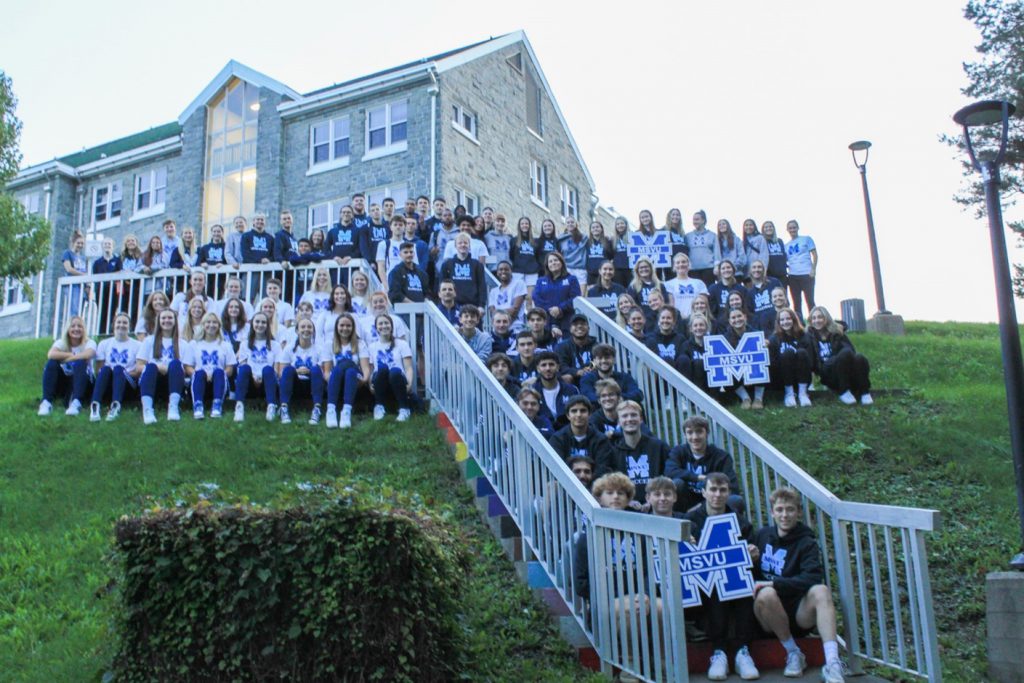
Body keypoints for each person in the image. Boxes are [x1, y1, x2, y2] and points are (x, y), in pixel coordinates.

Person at [751, 487, 846, 683]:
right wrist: (748, 558)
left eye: (790, 509)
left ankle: (833, 663)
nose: (784, 515)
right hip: (768, 614)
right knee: (766, 593)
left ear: (798, 512)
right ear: (772, 512)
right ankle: (793, 653)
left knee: (821, 590)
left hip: (799, 611)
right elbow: (745, 574)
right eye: (779, 510)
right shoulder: (761, 536)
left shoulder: (806, 541)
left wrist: (775, 583)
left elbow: (812, 578)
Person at [685, 472, 760, 682]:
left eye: (722, 490)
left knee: (743, 582)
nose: (717, 494)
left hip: (733, 583)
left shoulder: (740, 522)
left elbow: (751, 556)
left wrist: (753, 553)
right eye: (713, 489)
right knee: (718, 582)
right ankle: (719, 651)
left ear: (729, 493)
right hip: (701, 585)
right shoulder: (690, 520)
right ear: (703, 492)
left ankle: (742, 652)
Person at [665, 416, 742, 513]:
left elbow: (732, 486)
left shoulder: (721, 457)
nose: (695, 437)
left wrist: (701, 507)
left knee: (735, 500)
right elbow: (669, 471)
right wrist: (698, 477)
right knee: (677, 483)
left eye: (699, 431)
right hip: (685, 504)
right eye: (690, 432)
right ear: (685, 435)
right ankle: (678, 523)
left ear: (707, 433)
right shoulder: (678, 452)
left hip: (713, 503)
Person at [805, 305, 872, 405]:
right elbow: (809, 361)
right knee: (845, 354)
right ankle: (843, 391)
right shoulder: (809, 336)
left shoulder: (837, 333)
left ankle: (865, 392)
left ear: (826, 318)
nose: (817, 320)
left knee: (860, 358)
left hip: (844, 368)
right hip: (827, 372)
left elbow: (851, 351)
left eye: (820, 317)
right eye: (814, 318)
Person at [606, 400, 671, 503]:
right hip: (626, 506)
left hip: (657, 504)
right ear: (619, 422)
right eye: (625, 416)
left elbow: (670, 477)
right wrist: (627, 501)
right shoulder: (613, 451)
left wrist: (654, 500)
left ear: (641, 419)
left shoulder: (659, 447)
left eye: (633, 415)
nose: (629, 419)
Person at [137, 308, 193, 424]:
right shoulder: (149, 341)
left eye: (170, 318)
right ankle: (147, 410)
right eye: (163, 318)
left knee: (176, 364)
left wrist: (170, 368)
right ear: (159, 321)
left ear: (175, 321)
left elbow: (187, 369)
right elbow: (139, 366)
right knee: (151, 366)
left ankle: (173, 407)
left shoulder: (183, 344)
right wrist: (158, 367)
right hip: (153, 382)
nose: (166, 320)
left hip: (174, 384)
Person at [39, 315, 95, 416]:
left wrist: (65, 358)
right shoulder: (61, 343)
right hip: (66, 382)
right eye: (73, 326)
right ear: (68, 329)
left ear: (84, 329)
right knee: (52, 363)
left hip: (85, 382)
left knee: (80, 362)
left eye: (80, 326)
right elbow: (51, 354)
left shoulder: (90, 342)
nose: (76, 329)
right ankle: (46, 402)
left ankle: (76, 403)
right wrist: (70, 354)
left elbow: (88, 354)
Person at [89, 312, 141, 422]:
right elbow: (99, 370)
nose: (121, 325)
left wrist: (120, 374)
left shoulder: (137, 345)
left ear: (129, 326)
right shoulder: (104, 343)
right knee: (106, 369)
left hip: (128, 384)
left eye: (125, 323)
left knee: (118, 368)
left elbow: (138, 371)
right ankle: (95, 405)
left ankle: (115, 406)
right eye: (119, 322)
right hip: (108, 381)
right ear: (114, 325)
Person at [234, 312, 284, 423]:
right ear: (252, 324)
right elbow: (242, 365)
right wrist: (254, 376)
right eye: (257, 321)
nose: (260, 325)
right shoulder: (245, 344)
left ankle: (271, 406)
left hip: (268, 382)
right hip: (250, 382)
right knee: (245, 368)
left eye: (263, 322)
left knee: (268, 369)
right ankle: (239, 407)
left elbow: (276, 368)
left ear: (267, 325)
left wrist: (262, 377)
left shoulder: (275, 345)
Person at [324, 313, 370, 429]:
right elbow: (326, 372)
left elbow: (365, 369)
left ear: (353, 328)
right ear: (337, 327)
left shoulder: (360, 343)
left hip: (355, 379)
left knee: (349, 370)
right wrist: (334, 380)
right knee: (340, 370)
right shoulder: (329, 344)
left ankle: (346, 411)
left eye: (348, 326)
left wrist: (364, 380)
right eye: (342, 325)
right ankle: (331, 411)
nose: (345, 328)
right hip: (337, 378)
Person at [277, 317, 327, 426]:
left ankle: (317, 409)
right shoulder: (289, 348)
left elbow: (324, 372)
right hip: (296, 385)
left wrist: (309, 371)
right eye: (303, 327)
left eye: (309, 327)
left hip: (312, 385)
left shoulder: (319, 349)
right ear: (297, 331)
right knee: (288, 369)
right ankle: (284, 408)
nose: (306, 329)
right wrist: (297, 371)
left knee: (315, 369)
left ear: (313, 330)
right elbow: (281, 373)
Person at [367, 313, 415, 421]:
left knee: (394, 371)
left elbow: (408, 368)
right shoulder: (372, 347)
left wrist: (409, 384)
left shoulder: (402, 344)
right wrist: (370, 385)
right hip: (380, 382)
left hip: (398, 380)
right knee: (382, 368)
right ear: (376, 328)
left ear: (391, 326)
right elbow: (370, 370)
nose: (384, 326)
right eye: (380, 324)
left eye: (386, 323)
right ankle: (379, 406)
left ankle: (404, 408)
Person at [190, 311, 236, 419]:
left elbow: (230, 369)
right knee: (199, 372)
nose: (211, 325)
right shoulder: (194, 344)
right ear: (203, 325)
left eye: (215, 322)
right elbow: (187, 366)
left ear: (219, 326)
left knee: (219, 372)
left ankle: (217, 406)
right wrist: (201, 375)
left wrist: (214, 375)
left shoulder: (226, 345)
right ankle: (198, 406)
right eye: (208, 322)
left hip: (219, 383)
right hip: (199, 382)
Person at [548, 395, 615, 468]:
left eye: (583, 411)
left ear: (589, 414)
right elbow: (557, 468)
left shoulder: (601, 440)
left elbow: (602, 468)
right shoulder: (557, 439)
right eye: (574, 411)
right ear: (568, 415)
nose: (578, 415)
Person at [769, 307, 813, 408]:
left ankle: (803, 393)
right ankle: (789, 394)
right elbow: (772, 362)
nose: (785, 322)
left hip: (802, 375)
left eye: (788, 319)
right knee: (787, 352)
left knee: (801, 352)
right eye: (782, 320)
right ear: (778, 322)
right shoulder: (774, 338)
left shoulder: (804, 335)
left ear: (794, 319)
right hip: (783, 378)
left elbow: (810, 359)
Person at [724, 308, 767, 409]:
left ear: (745, 317)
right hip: (737, 373)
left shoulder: (756, 333)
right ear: (730, 321)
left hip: (754, 371)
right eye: (733, 318)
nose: (737, 319)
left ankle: (758, 398)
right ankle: (745, 398)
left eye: (739, 316)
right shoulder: (725, 338)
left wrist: (765, 345)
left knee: (764, 359)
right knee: (724, 366)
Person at [532, 251, 581, 334]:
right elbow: (536, 298)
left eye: (556, 260)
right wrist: (550, 309)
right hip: (547, 323)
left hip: (567, 321)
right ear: (547, 265)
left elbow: (575, 298)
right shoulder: (541, 281)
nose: (553, 263)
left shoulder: (572, 279)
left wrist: (560, 308)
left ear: (561, 262)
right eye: (550, 261)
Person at [528, 350, 580, 427]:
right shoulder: (531, 392)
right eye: (543, 365)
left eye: (551, 364)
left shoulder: (571, 390)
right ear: (538, 369)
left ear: (558, 367)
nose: (548, 368)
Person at [579, 343, 644, 404]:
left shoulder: (624, 377)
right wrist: (613, 399)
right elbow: (588, 396)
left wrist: (616, 398)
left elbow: (638, 394)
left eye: (607, 358)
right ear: (594, 361)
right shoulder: (587, 379)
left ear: (614, 360)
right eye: (600, 358)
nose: (603, 361)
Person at [439, 232, 487, 308]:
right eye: (460, 243)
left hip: (473, 305)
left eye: (465, 243)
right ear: (455, 246)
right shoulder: (447, 264)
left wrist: (481, 305)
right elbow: (441, 285)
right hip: (452, 306)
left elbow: (482, 286)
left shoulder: (477, 265)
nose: (463, 245)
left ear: (469, 246)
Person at [785, 220, 817, 323]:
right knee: (797, 302)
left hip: (806, 273)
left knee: (810, 301)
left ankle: (814, 322)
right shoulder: (786, 245)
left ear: (798, 228)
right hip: (793, 276)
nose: (792, 230)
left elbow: (815, 255)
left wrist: (813, 269)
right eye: (790, 228)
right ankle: (800, 325)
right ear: (787, 230)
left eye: (794, 227)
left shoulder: (806, 239)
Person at [664, 252, 708, 321]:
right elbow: (671, 305)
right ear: (674, 266)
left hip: (696, 319)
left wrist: (695, 316)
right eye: (678, 263)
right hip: (678, 320)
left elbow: (704, 304)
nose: (681, 264)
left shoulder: (699, 283)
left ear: (688, 264)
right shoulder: (668, 284)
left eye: (683, 262)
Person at [554, 313, 596, 385]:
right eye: (575, 324)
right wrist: (577, 372)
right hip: (573, 379)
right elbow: (561, 366)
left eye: (583, 324)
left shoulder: (596, 345)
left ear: (588, 328)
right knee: (567, 377)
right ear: (570, 329)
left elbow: (599, 361)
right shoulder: (562, 346)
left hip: (592, 377)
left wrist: (592, 368)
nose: (579, 326)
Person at [746, 260, 784, 332]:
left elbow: (784, 299)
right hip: (762, 326)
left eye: (759, 267)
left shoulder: (774, 282)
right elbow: (750, 312)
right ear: (750, 271)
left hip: (777, 321)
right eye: (754, 267)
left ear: (764, 270)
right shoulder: (750, 292)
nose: (756, 269)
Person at [627, 257, 669, 322]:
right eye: (641, 267)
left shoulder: (660, 285)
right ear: (637, 270)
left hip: (660, 319)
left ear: (651, 268)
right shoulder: (633, 287)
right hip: (642, 320)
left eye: (646, 267)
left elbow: (666, 302)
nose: (644, 269)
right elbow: (632, 306)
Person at [488, 260, 526, 328]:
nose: (503, 271)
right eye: (500, 269)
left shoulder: (519, 284)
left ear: (511, 272)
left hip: (515, 326)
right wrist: (507, 311)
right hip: (498, 327)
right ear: (497, 272)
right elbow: (492, 313)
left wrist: (499, 313)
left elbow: (515, 310)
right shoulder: (493, 291)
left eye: (506, 269)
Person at [509, 216, 540, 298]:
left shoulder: (535, 241)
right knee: (517, 297)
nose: (524, 225)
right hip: (517, 272)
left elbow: (538, 256)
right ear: (519, 226)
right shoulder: (514, 240)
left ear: (529, 226)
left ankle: (530, 311)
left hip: (532, 272)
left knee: (529, 298)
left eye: (526, 223)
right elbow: (511, 255)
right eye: (522, 224)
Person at [686, 210, 716, 285]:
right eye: (693, 220)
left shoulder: (712, 235)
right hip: (693, 270)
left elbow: (717, 252)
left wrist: (717, 266)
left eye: (697, 219)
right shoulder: (688, 236)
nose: (695, 222)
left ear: (703, 220)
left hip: (708, 269)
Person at [376, 214, 411, 279]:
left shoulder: (410, 245)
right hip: (389, 280)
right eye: (395, 225)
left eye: (400, 225)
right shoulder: (383, 244)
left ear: (405, 227)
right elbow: (381, 268)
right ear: (390, 227)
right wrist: (386, 286)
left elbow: (414, 266)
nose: (398, 227)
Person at [559, 216, 588, 285]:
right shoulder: (560, 238)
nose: (570, 224)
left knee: (581, 295)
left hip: (580, 269)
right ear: (565, 225)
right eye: (568, 222)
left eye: (572, 222)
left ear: (576, 224)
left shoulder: (583, 237)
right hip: (567, 268)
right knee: (567, 293)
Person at [761, 220, 788, 285]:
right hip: (769, 274)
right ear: (763, 230)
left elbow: (784, 256)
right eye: (766, 227)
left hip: (782, 274)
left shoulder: (780, 241)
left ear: (774, 228)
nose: (768, 228)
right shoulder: (762, 242)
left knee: (782, 293)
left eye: (770, 226)